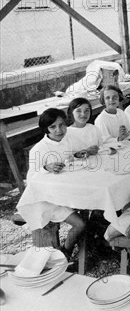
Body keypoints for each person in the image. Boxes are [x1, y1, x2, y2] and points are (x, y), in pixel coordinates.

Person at [23, 108, 86, 258]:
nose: (59, 130)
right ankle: (65, 251)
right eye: (53, 127)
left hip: (65, 193)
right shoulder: (39, 149)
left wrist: (77, 155)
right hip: (47, 200)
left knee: (93, 205)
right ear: (46, 129)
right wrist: (46, 168)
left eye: (62, 125)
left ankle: (89, 245)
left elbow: (72, 155)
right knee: (80, 224)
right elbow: (30, 181)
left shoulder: (67, 140)